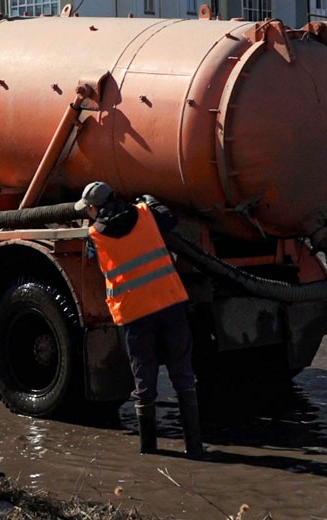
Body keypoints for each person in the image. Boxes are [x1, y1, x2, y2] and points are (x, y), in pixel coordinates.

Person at [76, 181, 205, 459]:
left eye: (88, 209)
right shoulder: (147, 213)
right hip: (170, 304)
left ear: (96, 208)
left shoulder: (94, 236)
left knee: (144, 382)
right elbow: (171, 219)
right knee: (183, 374)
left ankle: (149, 450)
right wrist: (152, 201)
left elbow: (91, 258)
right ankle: (195, 447)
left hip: (135, 314)